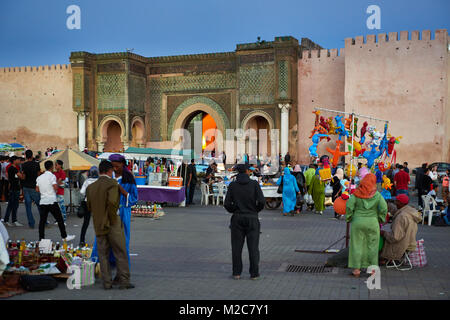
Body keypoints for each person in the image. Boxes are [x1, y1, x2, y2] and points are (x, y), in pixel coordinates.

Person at [86, 160, 134, 290]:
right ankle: (124, 281)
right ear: (109, 171)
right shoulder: (112, 184)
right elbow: (113, 203)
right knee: (120, 252)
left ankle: (107, 283)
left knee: (103, 254)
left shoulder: (91, 187)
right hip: (112, 223)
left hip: (98, 224)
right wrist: (112, 219)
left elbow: (89, 206)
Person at [92, 154, 138, 269]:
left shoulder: (129, 179)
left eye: (117, 166)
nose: (115, 169)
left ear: (123, 164)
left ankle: (121, 267)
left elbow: (134, 198)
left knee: (121, 241)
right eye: (113, 167)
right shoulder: (107, 176)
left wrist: (121, 190)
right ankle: (97, 264)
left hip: (122, 213)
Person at [224, 164, 265, 280]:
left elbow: (227, 204)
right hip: (252, 218)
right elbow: (262, 201)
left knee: (236, 247)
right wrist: (255, 210)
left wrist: (234, 211)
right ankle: (254, 273)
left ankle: (237, 273)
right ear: (247, 171)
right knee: (253, 247)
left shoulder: (232, 185)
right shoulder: (254, 184)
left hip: (237, 218)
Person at [346, 173, 387, 277]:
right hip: (372, 222)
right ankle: (372, 269)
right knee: (373, 246)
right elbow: (384, 208)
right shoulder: (377, 195)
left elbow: (349, 206)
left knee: (357, 245)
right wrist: (380, 219)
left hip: (357, 221)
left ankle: (356, 269)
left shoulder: (356, 193)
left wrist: (350, 217)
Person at [36, 160, 75, 241]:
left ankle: (41, 238)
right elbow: (55, 187)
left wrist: (44, 191)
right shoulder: (52, 176)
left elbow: (37, 189)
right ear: (51, 167)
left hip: (43, 201)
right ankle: (64, 236)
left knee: (42, 221)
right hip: (51, 200)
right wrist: (55, 188)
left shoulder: (39, 177)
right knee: (59, 219)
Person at [380, 194, 421, 263]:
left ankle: (384, 259)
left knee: (380, 240)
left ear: (401, 203)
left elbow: (395, 238)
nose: (395, 203)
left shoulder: (401, 216)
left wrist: (384, 233)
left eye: (397, 201)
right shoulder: (410, 212)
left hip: (401, 245)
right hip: (409, 242)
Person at [21, 150, 42, 229]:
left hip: (26, 187)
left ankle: (31, 223)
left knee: (28, 207)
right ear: (32, 155)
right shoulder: (37, 164)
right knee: (39, 205)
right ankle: (44, 221)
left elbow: (23, 177)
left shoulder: (24, 165)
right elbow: (39, 175)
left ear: (26, 156)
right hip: (34, 186)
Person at [79, 166, 99, 246]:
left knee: (86, 223)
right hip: (98, 204)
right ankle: (99, 241)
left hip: (88, 203)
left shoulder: (87, 181)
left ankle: (82, 240)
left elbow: (82, 192)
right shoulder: (99, 181)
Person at [3, 156, 24, 227]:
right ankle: (8, 220)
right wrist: (22, 173)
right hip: (14, 189)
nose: (19, 161)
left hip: (15, 188)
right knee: (12, 205)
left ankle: (13, 220)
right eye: (18, 160)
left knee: (14, 205)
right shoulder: (13, 168)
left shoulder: (13, 168)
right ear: (14, 161)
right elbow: (21, 177)